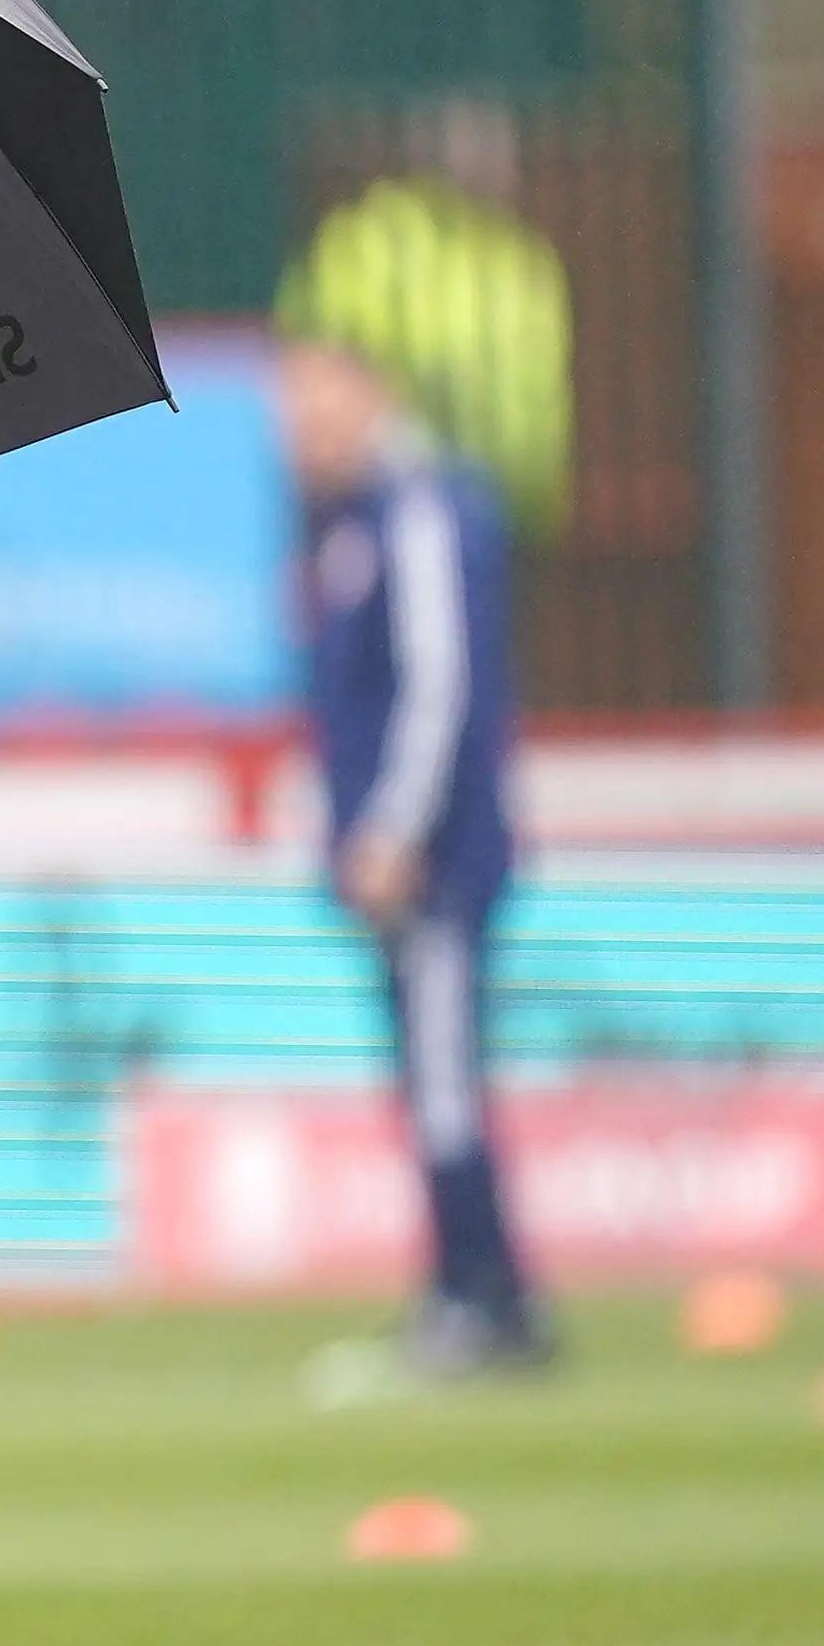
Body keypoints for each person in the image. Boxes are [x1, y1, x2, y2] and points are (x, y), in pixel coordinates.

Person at [273, 201, 554, 1377]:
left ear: (370, 390)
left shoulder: (424, 509)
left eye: (314, 393)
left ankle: (482, 1303)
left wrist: (391, 827)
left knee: (443, 1079)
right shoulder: (350, 523)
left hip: (438, 859)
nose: (297, 421)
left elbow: (443, 687)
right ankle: (478, 1297)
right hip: (394, 860)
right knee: (429, 1073)